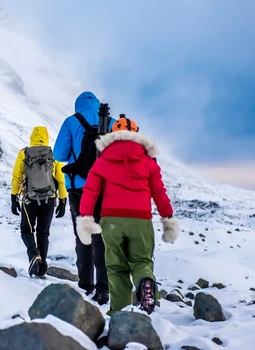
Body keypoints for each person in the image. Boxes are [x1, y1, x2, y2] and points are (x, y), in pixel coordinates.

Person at [76, 115, 179, 315]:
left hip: (111, 221)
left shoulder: (103, 159)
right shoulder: (148, 161)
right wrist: (167, 219)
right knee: (142, 262)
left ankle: (119, 313)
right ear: (136, 134)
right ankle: (145, 283)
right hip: (140, 220)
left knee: (116, 268)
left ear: (113, 134)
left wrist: (86, 218)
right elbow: (159, 192)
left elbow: (90, 191)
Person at [53, 91, 113, 305]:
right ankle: (105, 288)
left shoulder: (72, 121)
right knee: (102, 238)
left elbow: (59, 154)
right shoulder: (112, 122)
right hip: (107, 189)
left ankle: (86, 285)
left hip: (79, 189)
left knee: (83, 235)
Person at [11, 126, 68, 278]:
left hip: (30, 200)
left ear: (32, 137)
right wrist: (63, 201)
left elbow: (17, 177)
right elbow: (61, 180)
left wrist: (14, 198)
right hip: (49, 200)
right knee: (43, 234)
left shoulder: (24, 154)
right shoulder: (53, 154)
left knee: (26, 231)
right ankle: (41, 268)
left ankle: (33, 255)